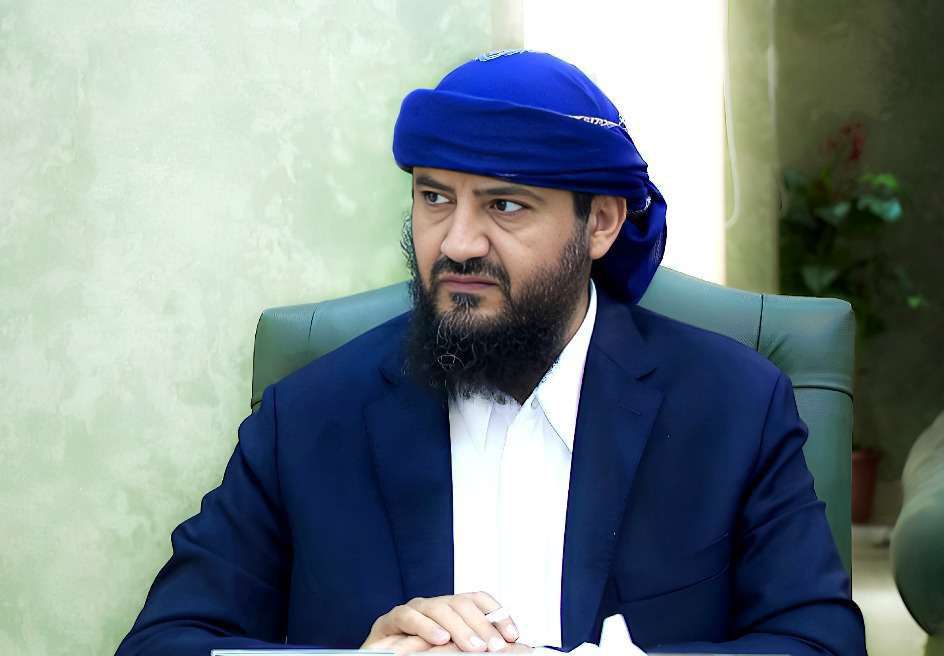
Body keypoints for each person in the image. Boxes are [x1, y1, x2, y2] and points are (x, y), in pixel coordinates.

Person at [116, 51, 866, 655]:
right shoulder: (312, 415)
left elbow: (820, 644)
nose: (458, 242)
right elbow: (164, 642)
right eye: (435, 197)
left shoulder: (733, 408)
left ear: (602, 223)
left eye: (505, 205)